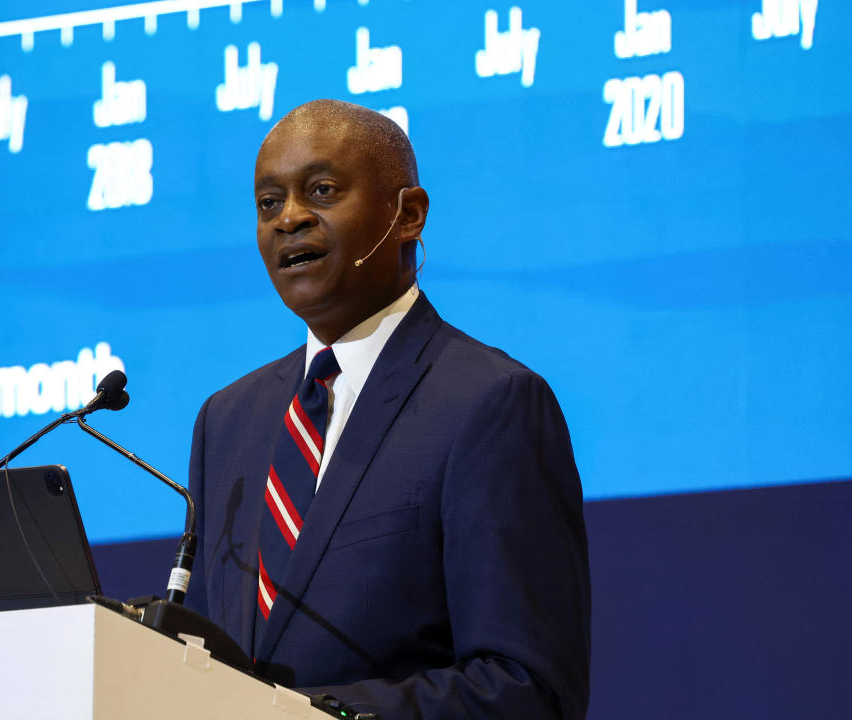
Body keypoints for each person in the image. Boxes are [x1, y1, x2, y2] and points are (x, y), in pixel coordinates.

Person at [185, 99, 590, 719]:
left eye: (320, 190)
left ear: (408, 215)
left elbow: (527, 687)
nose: (290, 218)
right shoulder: (226, 421)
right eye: (269, 203)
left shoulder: (489, 403)